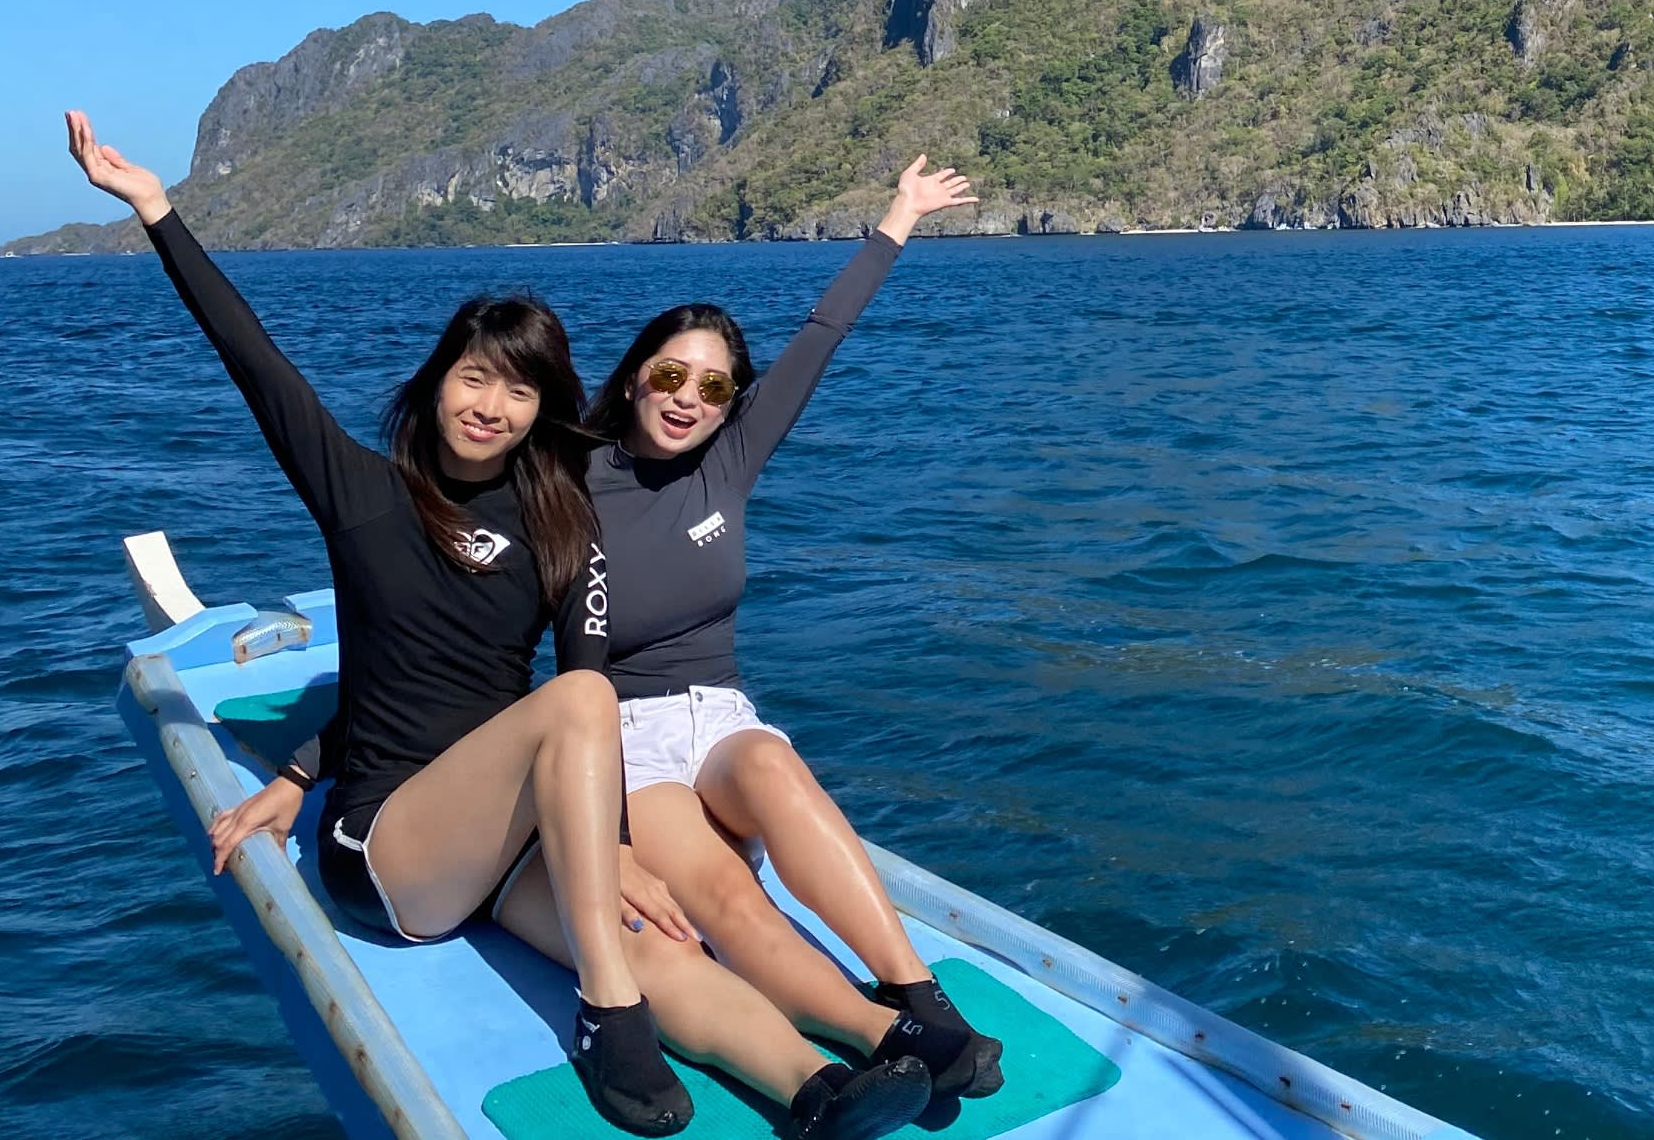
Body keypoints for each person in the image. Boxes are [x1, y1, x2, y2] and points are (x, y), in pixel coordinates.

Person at [74, 114, 925, 1140]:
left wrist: (610, 852)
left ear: (541, 408)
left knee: (651, 933)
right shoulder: (361, 491)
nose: (491, 405)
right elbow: (252, 356)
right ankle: (605, 1011)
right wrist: (157, 211)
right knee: (580, 700)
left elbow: (494, 695)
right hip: (387, 848)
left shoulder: (558, 524)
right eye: (474, 376)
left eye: (519, 389)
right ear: (437, 382)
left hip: (497, 831)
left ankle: (817, 1086)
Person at [567, 153, 1005, 1116]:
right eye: (671, 374)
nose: (688, 397)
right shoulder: (569, 478)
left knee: (772, 763)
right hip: (626, 737)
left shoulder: (729, 458)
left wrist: (898, 217)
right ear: (635, 376)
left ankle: (915, 992)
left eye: (713, 387)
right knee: (729, 898)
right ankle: (875, 1037)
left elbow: (822, 334)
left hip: (720, 715)